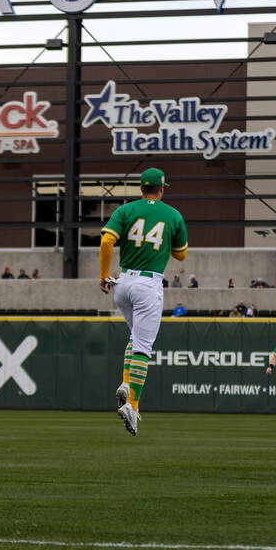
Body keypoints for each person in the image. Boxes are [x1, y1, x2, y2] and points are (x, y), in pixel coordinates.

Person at [99, 167, 187, 437]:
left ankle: (129, 393)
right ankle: (131, 401)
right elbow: (181, 255)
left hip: (122, 283)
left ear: (141, 188)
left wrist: (104, 274)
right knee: (143, 350)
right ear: (161, 189)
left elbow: (106, 240)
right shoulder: (172, 214)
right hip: (149, 283)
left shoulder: (124, 210)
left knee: (135, 340)